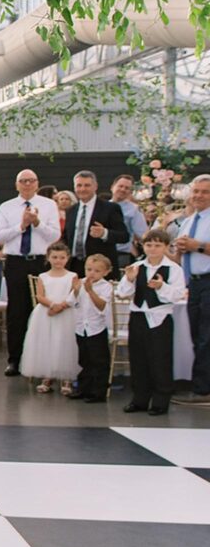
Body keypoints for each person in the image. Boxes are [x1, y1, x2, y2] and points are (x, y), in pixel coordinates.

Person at [0, 169, 61, 377]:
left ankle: (42, 360)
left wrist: (37, 223)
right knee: (16, 312)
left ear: (37, 183)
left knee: (41, 310)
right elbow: (0, 236)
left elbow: (55, 235)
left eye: (31, 181)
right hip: (16, 262)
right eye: (23, 181)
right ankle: (15, 359)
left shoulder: (49, 205)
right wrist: (21, 225)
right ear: (17, 185)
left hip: (40, 262)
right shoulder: (6, 207)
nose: (27, 185)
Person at [117, 228, 186, 416]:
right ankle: (139, 399)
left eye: (157, 245)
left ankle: (160, 401)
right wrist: (130, 280)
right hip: (138, 316)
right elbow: (122, 293)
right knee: (138, 359)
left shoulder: (174, 269)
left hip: (160, 318)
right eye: (149, 245)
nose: (153, 249)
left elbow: (177, 294)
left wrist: (162, 286)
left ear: (165, 247)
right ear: (143, 246)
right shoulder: (137, 266)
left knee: (160, 360)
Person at [19, 242, 80, 393]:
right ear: (48, 258)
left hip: (66, 313)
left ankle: (66, 377)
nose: (58, 261)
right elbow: (40, 296)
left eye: (62, 257)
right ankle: (47, 375)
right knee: (47, 343)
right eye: (54, 257)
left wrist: (61, 306)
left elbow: (74, 294)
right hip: (46, 313)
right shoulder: (43, 276)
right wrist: (52, 305)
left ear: (67, 258)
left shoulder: (72, 276)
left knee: (64, 343)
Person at [171, 173, 210, 406]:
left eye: (205, 192)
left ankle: (203, 390)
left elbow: (199, 248)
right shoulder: (188, 220)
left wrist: (199, 246)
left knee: (207, 337)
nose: (199, 196)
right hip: (193, 283)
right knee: (197, 335)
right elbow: (179, 256)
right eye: (196, 191)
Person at [62, 170, 128, 277]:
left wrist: (104, 233)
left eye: (87, 185)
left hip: (100, 269)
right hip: (74, 266)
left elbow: (124, 236)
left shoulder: (110, 208)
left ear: (95, 186)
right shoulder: (71, 210)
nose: (82, 189)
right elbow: (67, 238)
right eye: (79, 185)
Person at [69, 253, 113, 404]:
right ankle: (83, 388)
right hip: (81, 328)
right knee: (84, 359)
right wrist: (75, 290)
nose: (91, 273)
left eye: (96, 271)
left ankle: (98, 392)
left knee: (99, 361)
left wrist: (90, 291)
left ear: (106, 272)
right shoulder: (80, 283)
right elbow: (71, 302)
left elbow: (102, 306)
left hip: (97, 328)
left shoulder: (106, 287)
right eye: (89, 269)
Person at [110, 174, 148, 271]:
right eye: (120, 186)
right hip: (100, 254)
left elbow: (143, 234)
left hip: (121, 255)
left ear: (130, 192)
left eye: (127, 188)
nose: (123, 189)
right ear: (112, 187)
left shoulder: (134, 210)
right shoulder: (101, 207)